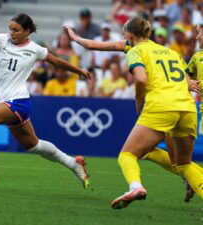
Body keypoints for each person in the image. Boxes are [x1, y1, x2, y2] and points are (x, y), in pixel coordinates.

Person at [65, 17, 203, 207]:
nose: (122, 35)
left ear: (130, 34)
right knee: (183, 164)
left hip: (161, 107)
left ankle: (135, 186)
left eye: (123, 32)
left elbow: (140, 79)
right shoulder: (171, 52)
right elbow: (185, 80)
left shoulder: (135, 51)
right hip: (187, 108)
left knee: (127, 155)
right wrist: (75, 38)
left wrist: (139, 100)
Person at [0, 13, 91, 189]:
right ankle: (73, 163)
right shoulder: (2, 40)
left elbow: (57, 62)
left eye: (16, 30)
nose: (12, 33)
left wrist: (78, 71)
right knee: (33, 145)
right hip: (10, 102)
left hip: (18, 101)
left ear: (27, 31)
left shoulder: (35, 49)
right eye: (10, 29)